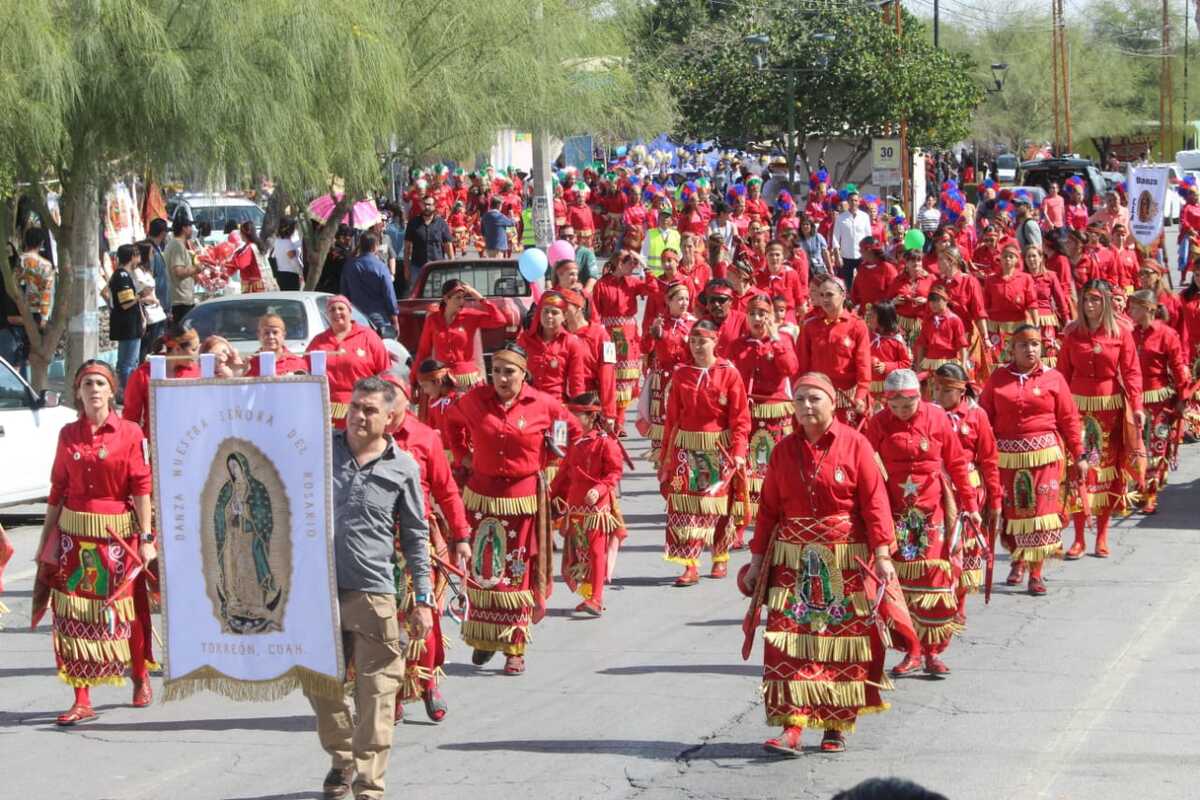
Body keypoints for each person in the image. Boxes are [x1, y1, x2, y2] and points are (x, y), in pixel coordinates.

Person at [744, 372, 896, 756]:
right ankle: (792, 726)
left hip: (844, 560)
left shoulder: (856, 444)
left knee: (839, 642)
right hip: (792, 562)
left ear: (832, 403)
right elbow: (768, 511)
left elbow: (875, 503)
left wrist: (882, 555)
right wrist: (757, 561)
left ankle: (834, 726)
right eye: (800, 400)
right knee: (789, 640)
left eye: (814, 399)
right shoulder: (782, 450)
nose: (806, 406)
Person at [310, 376, 432, 800]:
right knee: (319, 684)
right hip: (319, 591)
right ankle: (343, 756)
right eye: (355, 407)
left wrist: (423, 599)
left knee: (378, 692)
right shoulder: (319, 448)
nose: (359, 416)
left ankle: (369, 784)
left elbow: (416, 536)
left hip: (373, 594)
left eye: (370, 410)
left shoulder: (404, 467)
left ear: (391, 417)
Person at [33, 361, 155, 725]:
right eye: (87, 383)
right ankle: (81, 698)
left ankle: (139, 674)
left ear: (112, 390)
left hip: (117, 536)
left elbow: (141, 487)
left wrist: (147, 538)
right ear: (78, 391)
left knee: (124, 610)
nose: (94, 389)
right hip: (74, 537)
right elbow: (58, 488)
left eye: (101, 383)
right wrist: (46, 539)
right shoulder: (68, 434)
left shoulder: (130, 432)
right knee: (72, 615)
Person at [443, 343, 572, 675]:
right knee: (483, 572)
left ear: (524, 374)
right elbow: (450, 422)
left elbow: (571, 431)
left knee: (516, 574)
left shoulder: (544, 404)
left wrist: (548, 458)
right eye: (496, 371)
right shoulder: (475, 401)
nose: (502, 378)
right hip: (481, 499)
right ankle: (484, 637)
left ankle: (515, 646)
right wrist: (463, 456)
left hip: (521, 503)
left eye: (509, 372)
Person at [866, 369, 979, 677]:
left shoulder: (937, 418)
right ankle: (913, 649)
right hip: (895, 513)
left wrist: (971, 505)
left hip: (933, 512)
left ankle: (933, 651)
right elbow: (865, 469)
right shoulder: (878, 424)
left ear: (920, 396)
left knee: (935, 582)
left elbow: (957, 463)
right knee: (901, 584)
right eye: (895, 406)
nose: (902, 411)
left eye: (908, 405)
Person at [380, 373, 470, 724]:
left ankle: (429, 683)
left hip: (418, 539)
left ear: (407, 398)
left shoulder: (425, 436)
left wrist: (461, 536)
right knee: (382, 620)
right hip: (376, 541)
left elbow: (447, 490)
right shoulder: (366, 436)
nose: (386, 402)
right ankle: (392, 695)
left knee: (424, 613)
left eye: (392, 395)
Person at [979, 325, 1085, 595]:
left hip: (1045, 457)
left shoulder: (1054, 378)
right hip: (1007, 458)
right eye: (1023, 345)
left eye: (1035, 344)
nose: (1030, 349)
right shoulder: (998, 378)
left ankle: (1036, 572)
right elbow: (983, 417)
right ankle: (1018, 559)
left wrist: (1079, 454)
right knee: (1013, 512)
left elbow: (1069, 419)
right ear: (1012, 349)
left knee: (1040, 514)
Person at [658, 321, 750, 585]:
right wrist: (665, 457)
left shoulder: (729, 373)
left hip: (716, 448)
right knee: (685, 506)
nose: (698, 347)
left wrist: (739, 451)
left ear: (715, 342)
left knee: (715, 506)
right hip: (686, 447)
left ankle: (719, 554)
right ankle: (690, 564)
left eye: (703, 342)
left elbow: (740, 418)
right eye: (694, 342)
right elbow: (672, 419)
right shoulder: (681, 374)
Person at [1058, 279, 1144, 558]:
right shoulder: (1072, 334)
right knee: (1079, 469)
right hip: (1078, 409)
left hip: (1111, 411)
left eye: (1095, 299)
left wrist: (1137, 406)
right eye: (1086, 299)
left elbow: (1131, 372)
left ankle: (1102, 535)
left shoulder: (1121, 333)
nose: (1090, 305)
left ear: (1105, 302)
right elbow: (1061, 374)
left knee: (1106, 471)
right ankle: (1079, 538)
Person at [725, 294, 800, 551]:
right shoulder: (737, 345)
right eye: (753, 314)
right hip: (746, 413)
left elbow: (790, 368)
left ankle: (772, 527)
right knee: (742, 471)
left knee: (771, 471)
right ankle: (738, 526)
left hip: (774, 414)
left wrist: (776, 340)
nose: (757, 319)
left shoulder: (782, 340)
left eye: (762, 314)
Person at [931, 363, 1001, 625]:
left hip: (968, 491)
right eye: (936, 389)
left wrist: (995, 499)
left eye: (945, 390)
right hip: (936, 490)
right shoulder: (928, 413)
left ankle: (959, 603)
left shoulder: (976, 415)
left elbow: (989, 460)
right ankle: (940, 598)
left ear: (961, 392)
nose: (938, 394)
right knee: (939, 544)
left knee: (966, 545)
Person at [550, 391, 625, 616]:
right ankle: (590, 593)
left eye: (576, 415)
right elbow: (564, 474)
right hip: (575, 506)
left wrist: (599, 489)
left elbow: (614, 472)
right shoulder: (574, 444)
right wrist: (549, 495)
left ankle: (597, 598)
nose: (571, 419)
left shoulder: (605, 443)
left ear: (591, 417)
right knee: (581, 551)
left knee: (595, 550)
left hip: (597, 506)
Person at [1128, 290, 1190, 514]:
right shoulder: (1129, 334)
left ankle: (1150, 495)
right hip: (1134, 398)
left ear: (1148, 309)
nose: (1130, 311)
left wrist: (1182, 398)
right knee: (1135, 445)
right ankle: (1139, 486)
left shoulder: (1167, 334)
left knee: (1156, 446)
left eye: (1134, 307)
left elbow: (1178, 368)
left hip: (1159, 399)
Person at [306, 295, 391, 429]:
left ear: (350, 312)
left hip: (362, 408)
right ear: (327, 315)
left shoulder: (368, 336)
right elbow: (303, 368)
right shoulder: (318, 341)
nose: (337, 312)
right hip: (328, 410)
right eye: (332, 309)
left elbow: (386, 373)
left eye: (341, 308)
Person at [797, 274, 872, 426]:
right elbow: (802, 364)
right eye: (821, 295)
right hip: (818, 396)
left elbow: (863, 365)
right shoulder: (809, 325)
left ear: (843, 295)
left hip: (848, 399)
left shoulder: (857, 326)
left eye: (829, 295)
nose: (825, 299)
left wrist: (860, 395)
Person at [411, 279, 509, 390]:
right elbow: (423, 351)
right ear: (446, 299)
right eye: (458, 298)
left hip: (467, 378)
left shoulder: (470, 316)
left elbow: (500, 320)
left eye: (464, 298)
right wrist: (413, 379)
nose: (462, 301)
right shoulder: (433, 319)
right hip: (442, 380)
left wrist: (478, 296)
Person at [592, 251, 649, 430]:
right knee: (612, 376)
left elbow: (654, 288)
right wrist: (598, 335)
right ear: (618, 264)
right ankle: (612, 417)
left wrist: (644, 265)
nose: (633, 266)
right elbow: (594, 314)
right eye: (630, 262)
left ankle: (619, 420)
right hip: (612, 334)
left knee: (627, 377)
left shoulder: (632, 282)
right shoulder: (602, 284)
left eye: (634, 263)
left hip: (629, 335)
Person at [645, 282, 698, 461]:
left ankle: (684, 462)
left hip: (686, 380)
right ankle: (664, 465)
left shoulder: (693, 324)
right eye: (680, 299)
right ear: (669, 301)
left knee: (685, 420)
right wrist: (654, 334)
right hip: (663, 382)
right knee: (663, 421)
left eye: (687, 299)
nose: (684, 303)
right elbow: (647, 348)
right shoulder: (660, 323)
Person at [122, 322, 201, 434]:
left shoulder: (196, 372)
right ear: (177, 349)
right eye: (194, 349)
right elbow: (131, 417)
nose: (197, 354)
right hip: (154, 441)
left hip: (189, 439)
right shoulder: (143, 374)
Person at [517, 291, 587, 407]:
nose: (549, 316)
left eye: (554, 312)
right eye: (545, 311)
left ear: (564, 316)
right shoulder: (524, 339)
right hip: (528, 405)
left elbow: (577, 383)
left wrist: (579, 411)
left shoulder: (571, 343)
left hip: (556, 406)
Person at [983, 240, 1038, 362]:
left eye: (1011, 257)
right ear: (1000, 259)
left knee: (1019, 358)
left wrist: (1036, 326)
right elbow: (985, 306)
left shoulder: (1025, 278)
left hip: (1019, 325)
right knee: (998, 360)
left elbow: (1032, 303)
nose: (1007, 259)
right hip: (996, 328)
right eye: (1005, 257)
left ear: (1017, 259)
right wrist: (985, 332)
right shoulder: (990, 280)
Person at [340, 233, 399, 336]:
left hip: (355, 317)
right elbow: (389, 295)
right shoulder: (381, 267)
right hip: (378, 319)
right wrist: (395, 320)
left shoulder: (349, 266)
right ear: (375, 247)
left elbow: (344, 294)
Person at [108, 244, 147, 395]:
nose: (139, 259)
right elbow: (125, 303)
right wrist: (141, 296)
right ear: (132, 257)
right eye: (137, 255)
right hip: (127, 325)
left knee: (129, 361)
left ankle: (126, 391)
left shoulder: (123, 275)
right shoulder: (122, 276)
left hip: (131, 324)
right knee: (128, 363)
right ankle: (126, 392)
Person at [913, 285, 969, 374]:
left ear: (946, 301)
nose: (933, 304)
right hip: (929, 363)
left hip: (948, 363)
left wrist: (963, 365)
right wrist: (919, 366)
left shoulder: (955, 320)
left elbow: (962, 345)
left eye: (937, 301)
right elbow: (922, 344)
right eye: (931, 301)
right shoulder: (928, 320)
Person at [867, 301, 911, 407]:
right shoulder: (868, 335)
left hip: (889, 387)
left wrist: (886, 366)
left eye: (873, 316)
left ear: (883, 318)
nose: (869, 318)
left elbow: (906, 363)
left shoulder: (896, 340)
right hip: (870, 386)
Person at [404, 195, 455, 287]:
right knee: (417, 293)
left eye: (429, 205)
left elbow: (448, 245)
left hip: (437, 267)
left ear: (434, 206)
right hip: (418, 267)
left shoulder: (441, 223)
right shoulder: (413, 223)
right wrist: (406, 268)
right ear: (421, 205)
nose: (427, 207)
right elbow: (407, 247)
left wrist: (452, 265)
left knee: (437, 292)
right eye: (425, 204)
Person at [243, 313, 309, 376]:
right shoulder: (250, 364)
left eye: (275, 332)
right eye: (266, 333)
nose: (271, 337)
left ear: (283, 335)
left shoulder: (297, 363)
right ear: (259, 335)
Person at [831, 190, 872, 291]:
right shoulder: (841, 218)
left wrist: (869, 254)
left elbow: (868, 236)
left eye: (856, 200)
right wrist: (837, 256)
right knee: (847, 283)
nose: (854, 202)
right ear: (848, 202)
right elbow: (835, 238)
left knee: (864, 281)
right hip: (846, 256)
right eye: (851, 200)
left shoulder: (864, 217)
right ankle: (849, 299)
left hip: (861, 255)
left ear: (859, 202)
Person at [164, 217, 201, 320]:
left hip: (183, 298)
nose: (192, 229)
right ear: (184, 228)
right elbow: (178, 272)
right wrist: (197, 269)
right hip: (181, 300)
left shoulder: (176, 244)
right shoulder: (177, 246)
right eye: (190, 226)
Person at [271, 217, 304, 290]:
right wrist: (301, 272)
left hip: (281, 274)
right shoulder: (288, 244)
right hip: (290, 276)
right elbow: (294, 262)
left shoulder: (277, 241)